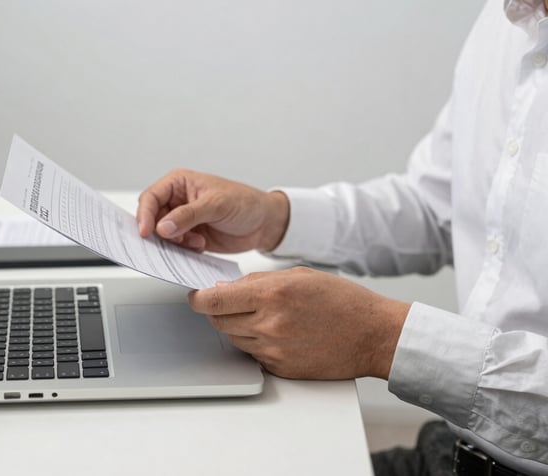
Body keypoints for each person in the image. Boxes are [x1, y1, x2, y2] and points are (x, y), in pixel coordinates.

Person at [136, 0, 548, 475]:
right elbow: (439, 208)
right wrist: (274, 217)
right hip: (456, 450)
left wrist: (383, 340)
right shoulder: (508, 20)